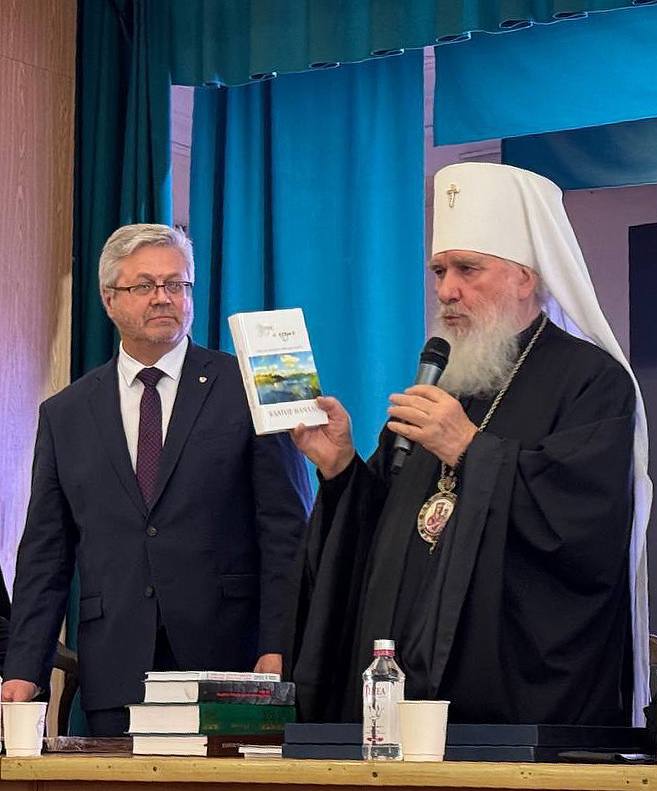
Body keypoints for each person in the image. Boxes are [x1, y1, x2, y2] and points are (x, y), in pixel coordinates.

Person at [292, 163, 651, 727]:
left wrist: (469, 448)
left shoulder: (592, 380)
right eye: (439, 271)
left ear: (525, 278)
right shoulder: (443, 382)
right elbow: (385, 528)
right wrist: (340, 469)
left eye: (467, 269)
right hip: (398, 688)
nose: (446, 291)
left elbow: (585, 529)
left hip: (510, 696)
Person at [1, 224, 312, 735]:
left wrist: (280, 644)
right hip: (115, 666)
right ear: (109, 299)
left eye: (176, 284)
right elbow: (45, 553)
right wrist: (23, 668)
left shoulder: (256, 383)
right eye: (144, 285)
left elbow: (287, 533)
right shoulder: (65, 413)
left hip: (230, 661)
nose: (163, 297)